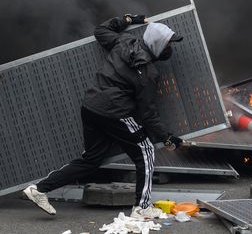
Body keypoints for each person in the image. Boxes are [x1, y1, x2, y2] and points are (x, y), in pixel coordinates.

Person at [23, 14, 184, 219]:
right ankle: (142, 208)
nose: (170, 49)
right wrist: (167, 138)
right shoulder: (148, 73)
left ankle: (39, 189)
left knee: (92, 159)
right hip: (114, 112)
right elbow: (148, 114)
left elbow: (101, 30)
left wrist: (129, 19)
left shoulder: (123, 42)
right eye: (168, 44)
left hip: (91, 107)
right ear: (157, 44)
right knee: (146, 151)